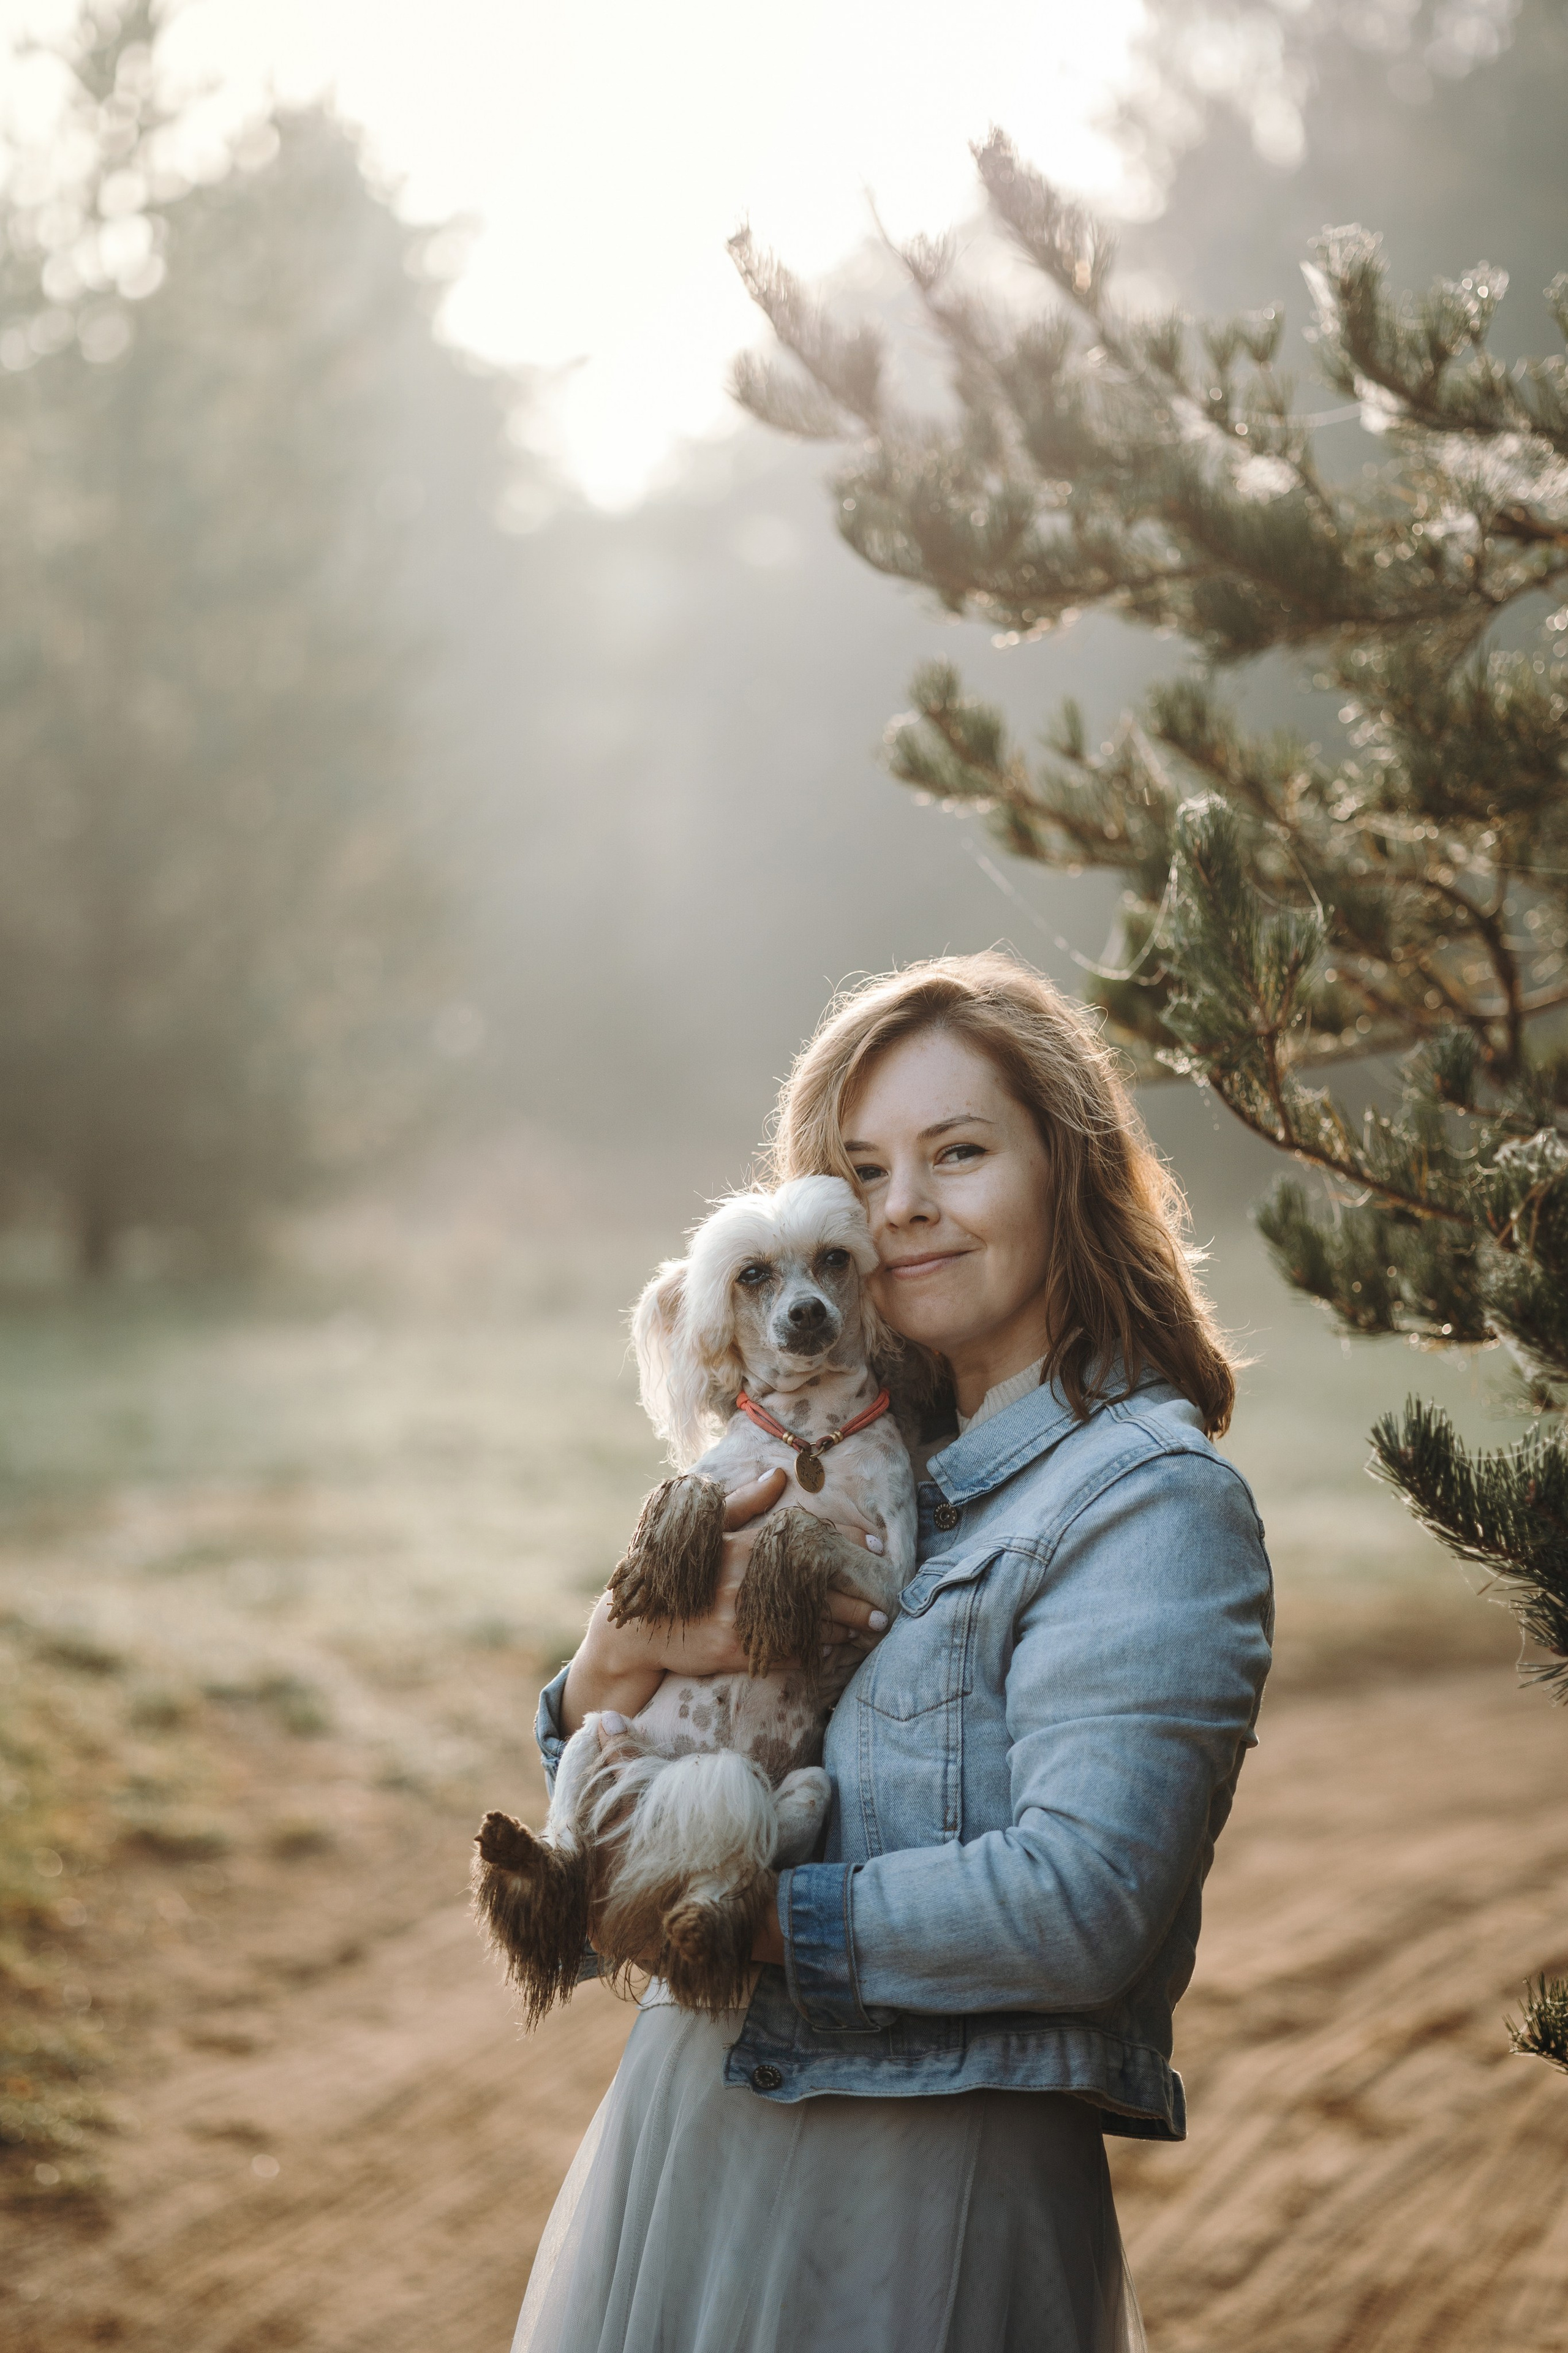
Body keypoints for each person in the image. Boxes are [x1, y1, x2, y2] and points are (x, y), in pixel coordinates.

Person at [514, 952, 1273, 2353]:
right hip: (698, 2129)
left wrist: (737, 1919)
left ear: (1067, 1170)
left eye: (957, 1152)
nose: (902, 1204)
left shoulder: (1146, 1502)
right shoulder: (856, 1455)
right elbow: (667, 1745)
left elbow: (1082, 1904)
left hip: (922, 2182)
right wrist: (609, 1663)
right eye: (863, 1170)